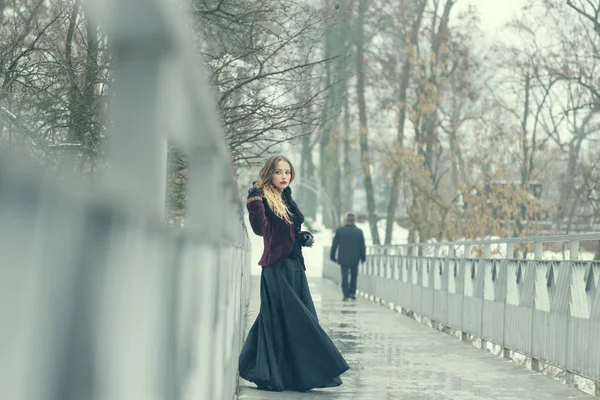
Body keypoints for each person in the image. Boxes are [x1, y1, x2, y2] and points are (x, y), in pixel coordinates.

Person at [238, 154, 349, 392]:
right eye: (279, 172)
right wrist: (255, 201)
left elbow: (285, 232)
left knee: (288, 318)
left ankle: (283, 373)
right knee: (288, 320)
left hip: (294, 266)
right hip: (276, 267)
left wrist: (301, 237)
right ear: (269, 173)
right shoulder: (262, 197)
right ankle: (282, 373)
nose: (284, 176)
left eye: (287, 172)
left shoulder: (285, 197)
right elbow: (261, 230)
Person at [330, 212, 366, 301]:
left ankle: (345, 294)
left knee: (344, 276)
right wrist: (363, 258)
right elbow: (362, 246)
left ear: (346, 220)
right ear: (354, 221)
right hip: (355, 257)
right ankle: (352, 293)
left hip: (343, 257)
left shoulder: (340, 231)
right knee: (354, 275)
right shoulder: (359, 232)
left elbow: (334, 245)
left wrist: (332, 256)